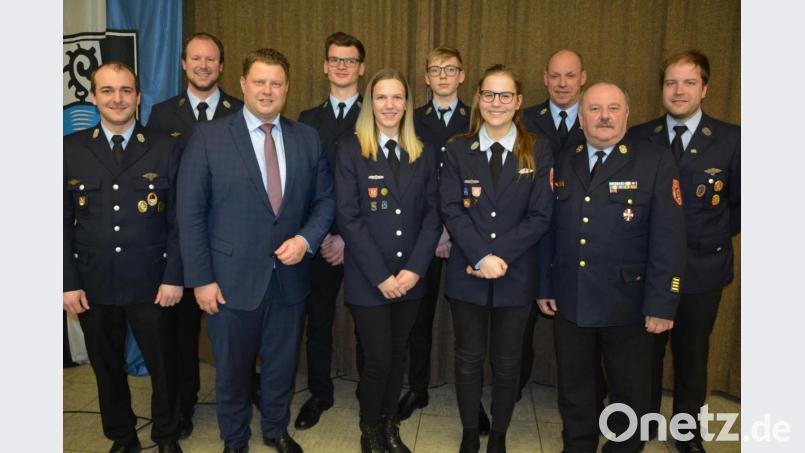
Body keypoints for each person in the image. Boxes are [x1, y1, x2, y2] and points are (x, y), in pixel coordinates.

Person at [177, 48, 335, 453]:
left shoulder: (306, 137)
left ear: (287, 88)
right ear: (243, 85)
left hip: (290, 279)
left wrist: (305, 240)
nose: (267, 90)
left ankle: (276, 429)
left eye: (276, 83)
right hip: (228, 283)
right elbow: (190, 213)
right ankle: (235, 439)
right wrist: (201, 280)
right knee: (231, 371)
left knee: (282, 366)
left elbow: (325, 202)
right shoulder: (209, 137)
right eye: (259, 81)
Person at [536, 81, 686, 453]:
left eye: (613, 108)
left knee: (629, 391)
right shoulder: (564, 160)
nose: (604, 117)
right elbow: (549, 230)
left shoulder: (654, 160)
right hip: (571, 297)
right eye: (595, 109)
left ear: (626, 115)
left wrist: (662, 304)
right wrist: (545, 285)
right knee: (575, 389)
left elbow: (669, 238)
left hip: (629, 303)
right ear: (581, 119)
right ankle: (578, 446)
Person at [63, 61, 184, 453]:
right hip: (94, 282)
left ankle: (166, 435)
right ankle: (122, 436)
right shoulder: (70, 149)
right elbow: (58, 223)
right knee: (106, 368)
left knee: (165, 367)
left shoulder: (165, 147)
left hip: (153, 282)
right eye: (108, 91)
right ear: (94, 96)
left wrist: (174, 276)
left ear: (138, 97)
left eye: (126, 90)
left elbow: (180, 220)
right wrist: (67, 282)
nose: (118, 98)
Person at [629, 50, 740, 453]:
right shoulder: (641, 136)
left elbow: (741, 206)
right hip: (647, 267)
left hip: (702, 267)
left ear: (705, 88)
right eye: (671, 82)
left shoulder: (732, 139)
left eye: (688, 82)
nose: (678, 91)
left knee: (692, 354)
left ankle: (687, 429)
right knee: (646, 352)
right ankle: (643, 422)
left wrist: (700, 238)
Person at [440, 64, 554, 453]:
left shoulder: (537, 149)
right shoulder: (458, 149)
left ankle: (499, 436)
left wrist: (496, 256)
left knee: (507, 363)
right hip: (467, 273)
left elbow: (541, 216)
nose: (496, 103)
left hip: (515, 273)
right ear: (478, 99)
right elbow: (451, 209)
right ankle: (471, 432)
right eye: (489, 94)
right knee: (468, 359)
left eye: (506, 95)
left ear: (519, 102)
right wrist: (479, 255)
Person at [335, 69, 441, 453]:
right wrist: (382, 276)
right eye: (382, 97)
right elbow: (349, 217)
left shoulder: (424, 151)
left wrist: (413, 270)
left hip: (411, 279)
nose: (390, 105)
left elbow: (433, 216)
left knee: (398, 356)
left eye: (398, 97)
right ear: (370, 103)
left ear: (407, 104)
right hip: (369, 280)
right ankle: (369, 428)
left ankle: (388, 424)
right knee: (378, 359)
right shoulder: (351, 149)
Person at [146, 31, 243, 439]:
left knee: (239, 332)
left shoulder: (242, 112)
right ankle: (183, 404)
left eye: (211, 60)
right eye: (196, 59)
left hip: (233, 244)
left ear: (222, 66)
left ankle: (241, 395)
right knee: (181, 336)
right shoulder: (162, 114)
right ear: (184, 64)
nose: (203, 66)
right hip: (182, 243)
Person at [399, 45, 486, 428]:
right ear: (426, 77)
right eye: (436, 69)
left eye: (451, 69)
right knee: (418, 319)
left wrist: (455, 230)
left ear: (463, 75)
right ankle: (417, 388)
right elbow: (407, 181)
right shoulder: (410, 120)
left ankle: (475, 401)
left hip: (472, 234)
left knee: (473, 323)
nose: (444, 76)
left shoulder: (479, 119)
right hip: (423, 236)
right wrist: (435, 231)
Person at [294, 31, 366, 431]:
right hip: (320, 242)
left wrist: (346, 236)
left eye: (349, 60)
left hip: (362, 242)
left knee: (366, 321)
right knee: (317, 322)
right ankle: (319, 393)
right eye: (335, 60)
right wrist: (323, 234)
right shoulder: (306, 120)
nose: (342, 66)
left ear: (361, 68)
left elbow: (380, 183)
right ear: (324, 66)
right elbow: (305, 186)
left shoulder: (378, 114)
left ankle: (367, 394)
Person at [519, 48, 588, 400]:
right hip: (531, 239)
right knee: (520, 326)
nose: (562, 83)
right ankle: (513, 389)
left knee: (583, 326)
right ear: (545, 79)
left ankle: (583, 397)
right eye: (556, 76)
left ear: (583, 79)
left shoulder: (597, 117)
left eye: (570, 75)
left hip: (583, 238)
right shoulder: (525, 120)